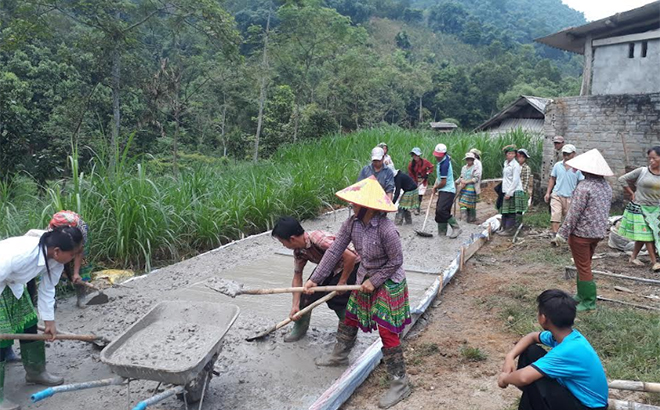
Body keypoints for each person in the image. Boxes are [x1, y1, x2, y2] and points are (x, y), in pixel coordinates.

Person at [304, 177, 412, 409]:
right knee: (350, 316)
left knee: (387, 329)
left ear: (368, 206)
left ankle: (399, 382)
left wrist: (376, 280)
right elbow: (334, 252)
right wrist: (315, 279)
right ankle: (340, 355)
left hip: (389, 280)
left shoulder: (386, 229)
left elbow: (397, 261)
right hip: (365, 277)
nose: (351, 206)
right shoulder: (352, 224)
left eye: (355, 203)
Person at [0, 226, 83, 409]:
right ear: (57, 251)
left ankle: (36, 372)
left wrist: (49, 321)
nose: (72, 259)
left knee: (29, 322)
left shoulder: (55, 259)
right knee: (1, 338)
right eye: (72, 254)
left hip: (13, 284)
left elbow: (47, 289)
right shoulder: (20, 254)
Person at [498, 289, 608, 410]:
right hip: (575, 395)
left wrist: (505, 379)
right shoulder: (566, 336)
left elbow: (524, 377)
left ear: (543, 318)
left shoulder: (567, 351)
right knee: (531, 351)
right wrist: (510, 356)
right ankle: (533, 399)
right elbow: (532, 337)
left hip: (587, 407)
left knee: (534, 379)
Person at [271, 217, 359, 342]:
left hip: (352, 265)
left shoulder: (319, 239)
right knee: (305, 294)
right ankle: (300, 328)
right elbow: (297, 276)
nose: (283, 246)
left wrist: (342, 282)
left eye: (282, 242)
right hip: (329, 268)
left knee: (336, 298)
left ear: (292, 239)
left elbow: (351, 257)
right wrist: (295, 305)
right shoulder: (299, 251)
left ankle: (348, 330)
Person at [557, 149, 613, 310]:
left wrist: (562, 233)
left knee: (583, 265)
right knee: (585, 263)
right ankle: (581, 295)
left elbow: (574, 213)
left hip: (582, 233)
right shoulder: (605, 187)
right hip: (597, 233)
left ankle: (588, 301)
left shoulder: (584, 187)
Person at [618, 146, 660, 272]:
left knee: (644, 234)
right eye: (649, 158)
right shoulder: (642, 171)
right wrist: (631, 193)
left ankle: (633, 257)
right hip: (639, 207)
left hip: (656, 209)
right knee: (647, 235)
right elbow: (622, 179)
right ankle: (654, 262)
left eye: (654, 158)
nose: (651, 161)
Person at [48, 210, 91, 308]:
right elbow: (52, 256)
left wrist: (75, 273)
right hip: (58, 251)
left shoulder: (81, 230)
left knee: (82, 269)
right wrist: (62, 272)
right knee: (49, 272)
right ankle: (50, 301)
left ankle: (82, 298)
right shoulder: (50, 232)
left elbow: (79, 252)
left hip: (76, 245)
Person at [544, 144, 584, 239]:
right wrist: (548, 192)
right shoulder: (558, 165)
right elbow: (552, 179)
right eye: (564, 153)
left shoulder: (578, 168)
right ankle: (555, 235)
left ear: (573, 154)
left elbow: (581, 182)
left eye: (568, 154)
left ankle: (566, 235)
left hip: (570, 196)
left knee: (568, 217)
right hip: (557, 194)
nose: (566, 156)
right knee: (556, 214)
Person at [432, 143, 462, 238]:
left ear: (444, 154)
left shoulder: (444, 164)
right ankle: (442, 234)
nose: (437, 157)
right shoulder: (443, 160)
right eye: (436, 155)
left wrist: (436, 187)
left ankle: (456, 228)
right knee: (438, 212)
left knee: (441, 210)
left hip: (448, 190)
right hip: (443, 190)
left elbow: (444, 182)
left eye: (439, 156)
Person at [499, 145, 525, 236]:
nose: (511, 155)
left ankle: (510, 230)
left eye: (513, 153)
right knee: (505, 210)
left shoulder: (515, 165)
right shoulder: (506, 163)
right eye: (509, 153)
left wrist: (509, 192)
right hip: (507, 189)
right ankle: (504, 228)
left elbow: (515, 180)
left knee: (511, 211)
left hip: (514, 190)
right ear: (506, 155)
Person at [456, 152, 481, 223]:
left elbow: (476, 179)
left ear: (473, 160)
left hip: (470, 187)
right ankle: (464, 217)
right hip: (463, 187)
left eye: (470, 159)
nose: (469, 161)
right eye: (467, 159)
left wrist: (466, 182)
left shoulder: (475, 168)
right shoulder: (464, 168)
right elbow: (461, 176)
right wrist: (458, 181)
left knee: (464, 202)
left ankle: (467, 218)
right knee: (462, 202)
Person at [408, 147, 433, 214]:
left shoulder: (425, 162)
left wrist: (427, 173)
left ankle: (417, 207)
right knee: (415, 194)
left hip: (423, 181)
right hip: (415, 181)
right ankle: (415, 207)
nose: (415, 156)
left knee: (420, 194)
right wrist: (414, 182)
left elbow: (431, 167)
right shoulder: (411, 164)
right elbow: (410, 174)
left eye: (416, 155)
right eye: (413, 155)